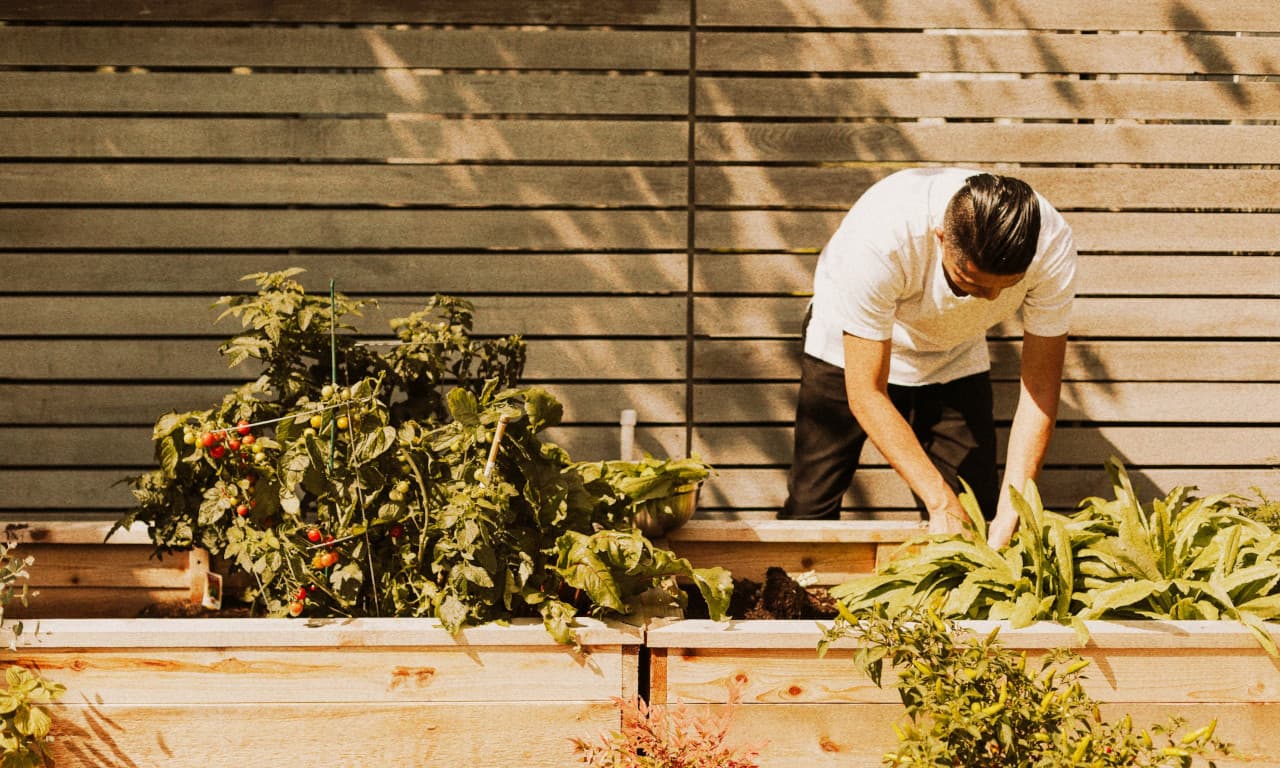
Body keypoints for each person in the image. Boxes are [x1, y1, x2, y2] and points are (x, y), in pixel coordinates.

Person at [778, 168, 1076, 549]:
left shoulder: (1051, 245)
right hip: (845, 351)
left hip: (954, 353)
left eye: (1007, 287)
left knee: (975, 516)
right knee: (810, 510)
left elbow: (1040, 388)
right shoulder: (881, 239)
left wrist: (1013, 509)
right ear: (940, 238)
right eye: (970, 283)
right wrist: (938, 501)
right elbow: (866, 393)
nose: (990, 299)